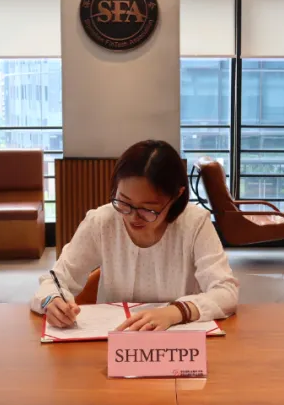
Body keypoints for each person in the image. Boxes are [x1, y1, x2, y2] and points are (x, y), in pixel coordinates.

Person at [32, 140, 239, 331]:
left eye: (148, 209)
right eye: (123, 202)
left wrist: (175, 312)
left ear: (176, 195)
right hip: (116, 343)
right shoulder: (103, 221)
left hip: (178, 343)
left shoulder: (194, 223)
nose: (132, 217)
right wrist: (52, 301)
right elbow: (56, 279)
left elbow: (225, 291)